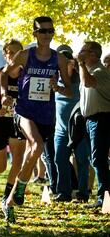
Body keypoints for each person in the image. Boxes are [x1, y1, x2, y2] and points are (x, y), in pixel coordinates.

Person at [0, 16, 73, 223]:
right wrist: (5, 93)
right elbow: (5, 74)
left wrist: (57, 87)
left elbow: (68, 91)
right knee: (37, 145)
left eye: (50, 31)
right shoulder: (25, 55)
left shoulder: (59, 59)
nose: (47, 35)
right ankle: (21, 187)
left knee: (33, 152)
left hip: (46, 114)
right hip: (24, 110)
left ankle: (11, 200)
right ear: (35, 34)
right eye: (42, 31)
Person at [0, 39, 27, 206]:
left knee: (18, 159)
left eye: (16, 52)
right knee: (0, 167)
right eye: (9, 52)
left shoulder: (27, 75)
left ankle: (7, 194)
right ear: (4, 55)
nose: (12, 55)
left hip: (18, 122)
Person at [52, 44, 90, 203]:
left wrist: (59, 89)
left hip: (79, 129)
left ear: (72, 63)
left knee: (82, 161)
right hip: (60, 130)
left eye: (67, 62)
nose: (64, 65)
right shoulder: (54, 79)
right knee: (59, 160)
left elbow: (75, 92)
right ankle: (63, 193)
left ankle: (83, 194)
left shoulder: (78, 80)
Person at [77, 41, 110, 209]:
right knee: (96, 159)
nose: (79, 53)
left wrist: (81, 64)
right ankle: (104, 196)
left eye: (83, 51)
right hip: (91, 121)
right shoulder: (89, 71)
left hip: (101, 120)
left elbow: (89, 82)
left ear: (92, 54)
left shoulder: (99, 71)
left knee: (99, 159)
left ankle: (104, 197)